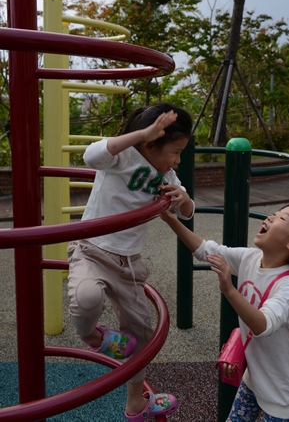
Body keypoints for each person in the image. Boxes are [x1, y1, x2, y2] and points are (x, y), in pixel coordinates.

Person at [67, 102, 194, 421]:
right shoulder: (120, 156)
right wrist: (140, 134)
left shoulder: (167, 174)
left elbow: (188, 212)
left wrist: (184, 199)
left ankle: (136, 402)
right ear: (150, 143)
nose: (177, 159)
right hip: (92, 249)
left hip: (128, 263)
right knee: (86, 300)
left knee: (141, 332)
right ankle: (95, 338)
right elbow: (90, 155)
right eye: (175, 151)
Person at [161, 204, 289, 421]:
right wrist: (169, 219)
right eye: (275, 213)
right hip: (255, 376)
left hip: (282, 389)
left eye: (281, 218)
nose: (271, 217)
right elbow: (205, 250)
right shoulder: (251, 258)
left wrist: (229, 289)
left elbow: (263, 325)